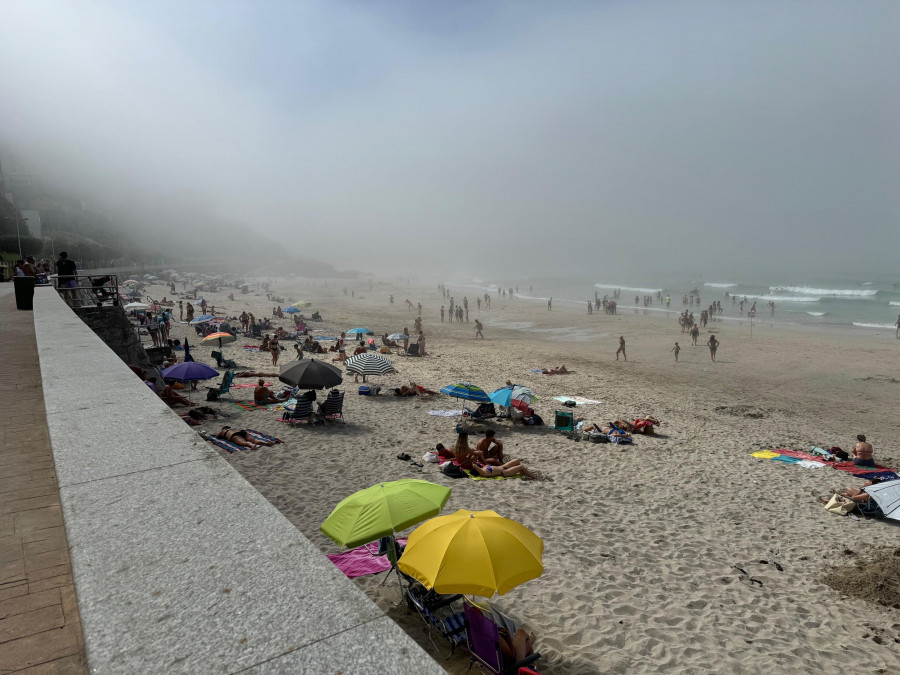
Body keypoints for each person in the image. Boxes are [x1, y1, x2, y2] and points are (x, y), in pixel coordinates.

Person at [454, 432, 537, 479]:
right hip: (504, 472)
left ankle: (523, 473)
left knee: (517, 461)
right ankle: (534, 477)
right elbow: (476, 462)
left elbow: (475, 464)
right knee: (521, 466)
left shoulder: (483, 468)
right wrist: (475, 457)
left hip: (503, 467)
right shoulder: (483, 472)